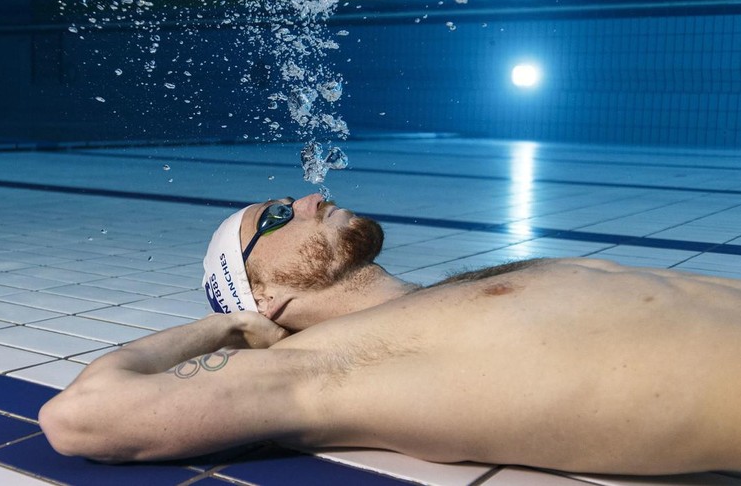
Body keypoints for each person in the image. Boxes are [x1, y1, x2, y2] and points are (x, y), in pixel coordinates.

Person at [38, 193, 741, 475]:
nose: (309, 198)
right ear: (265, 293)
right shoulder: (334, 363)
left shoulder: (437, 303)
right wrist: (220, 326)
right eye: (277, 219)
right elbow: (80, 419)